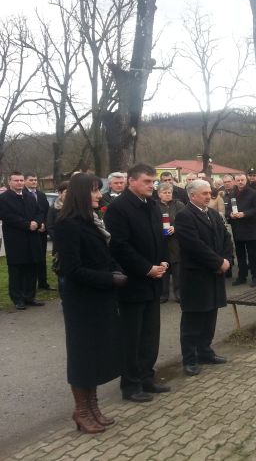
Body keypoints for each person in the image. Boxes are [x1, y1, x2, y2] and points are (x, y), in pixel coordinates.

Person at [54, 173, 125, 434]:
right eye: (95, 191)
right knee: (82, 356)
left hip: (100, 297)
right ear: (81, 194)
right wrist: (110, 279)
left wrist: (116, 269)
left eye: (99, 190)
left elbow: (104, 255)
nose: (99, 195)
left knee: (96, 353)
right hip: (82, 301)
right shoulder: (67, 225)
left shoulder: (91, 221)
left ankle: (93, 406)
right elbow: (72, 270)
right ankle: (81, 411)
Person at [104, 163, 170, 403]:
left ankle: (146, 377)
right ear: (131, 181)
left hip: (154, 279)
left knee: (151, 334)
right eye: (147, 182)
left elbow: (161, 237)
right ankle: (130, 385)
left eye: (153, 182)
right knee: (132, 336)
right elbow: (120, 247)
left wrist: (163, 260)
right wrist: (146, 268)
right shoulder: (118, 209)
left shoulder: (152, 205)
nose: (152, 186)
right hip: (133, 282)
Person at [174, 179, 233, 377]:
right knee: (193, 319)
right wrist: (218, 263)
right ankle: (190, 359)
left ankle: (205, 352)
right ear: (192, 195)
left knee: (210, 316)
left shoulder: (213, 214)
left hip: (214, 275)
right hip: (196, 277)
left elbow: (226, 238)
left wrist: (226, 260)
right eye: (204, 193)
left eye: (210, 193)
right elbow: (194, 246)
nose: (209, 196)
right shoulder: (184, 216)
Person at [0, 172, 44, 310]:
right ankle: (18, 299)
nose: (19, 183)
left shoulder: (30, 196)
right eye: (16, 180)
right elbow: (7, 216)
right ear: (10, 182)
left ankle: (29, 296)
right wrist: (27, 224)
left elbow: (39, 212)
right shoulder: (3, 198)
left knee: (31, 269)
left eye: (20, 180)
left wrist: (37, 222)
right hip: (16, 240)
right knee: (17, 271)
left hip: (32, 238)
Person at [229, 173, 256, 287]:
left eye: (242, 180)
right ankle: (242, 276)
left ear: (246, 180)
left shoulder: (253, 193)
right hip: (237, 228)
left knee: (252, 254)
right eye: (238, 180)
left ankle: (255, 276)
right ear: (235, 181)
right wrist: (231, 214)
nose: (240, 182)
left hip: (249, 227)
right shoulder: (232, 193)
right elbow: (229, 209)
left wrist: (244, 214)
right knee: (240, 255)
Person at [24, 172, 54, 290]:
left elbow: (46, 211)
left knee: (42, 258)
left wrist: (44, 224)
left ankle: (43, 282)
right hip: (29, 231)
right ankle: (30, 284)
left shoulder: (41, 195)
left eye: (35, 180)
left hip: (42, 231)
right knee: (31, 259)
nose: (34, 182)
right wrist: (35, 224)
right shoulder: (23, 194)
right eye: (31, 180)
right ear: (25, 181)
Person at [157, 182, 185, 303]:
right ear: (159, 194)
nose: (168, 195)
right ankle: (163, 294)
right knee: (163, 268)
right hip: (161, 241)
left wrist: (175, 227)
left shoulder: (178, 204)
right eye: (165, 192)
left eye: (170, 192)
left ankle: (179, 293)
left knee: (177, 269)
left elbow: (185, 220)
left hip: (175, 241)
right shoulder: (154, 205)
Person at [47, 181, 69, 301]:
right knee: (62, 273)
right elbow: (50, 226)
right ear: (60, 193)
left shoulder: (76, 206)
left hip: (74, 244)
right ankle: (63, 299)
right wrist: (61, 238)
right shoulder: (53, 208)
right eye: (66, 192)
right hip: (60, 246)